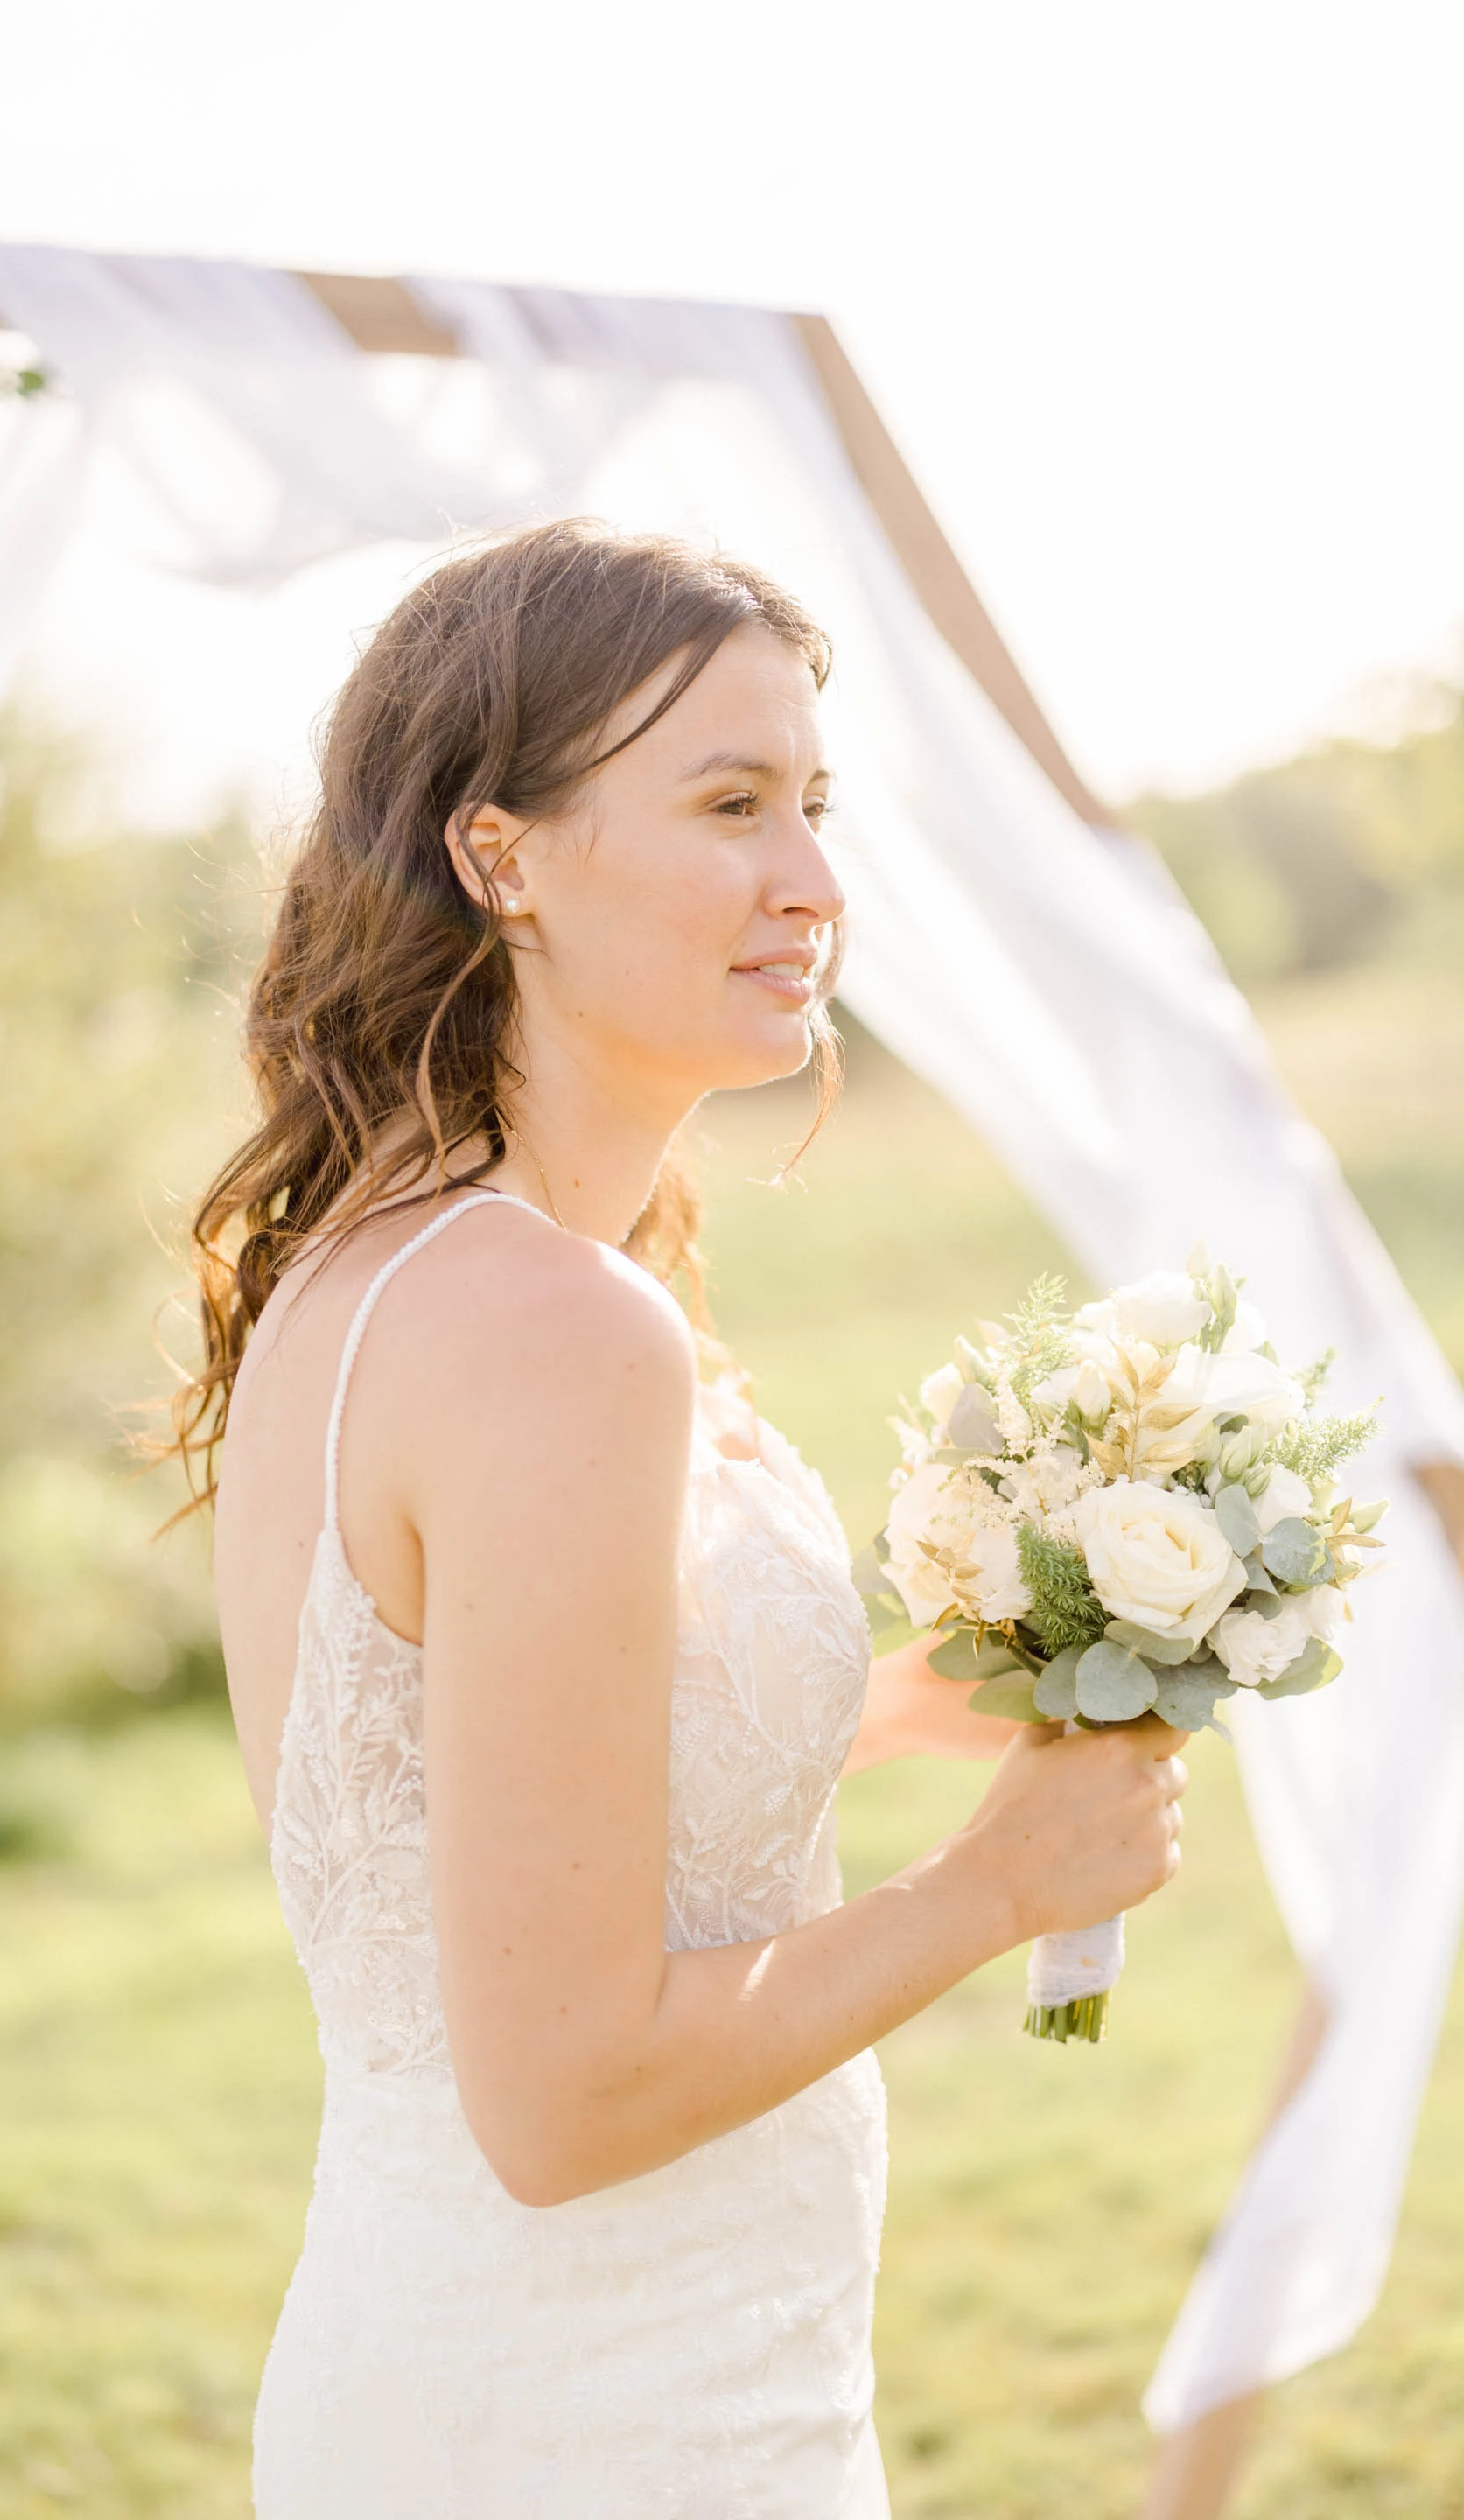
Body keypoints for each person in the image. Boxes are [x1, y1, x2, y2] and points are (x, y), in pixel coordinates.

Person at [181, 520, 1187, 2517]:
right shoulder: (559, 1329)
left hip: (519, 2362)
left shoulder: (403, 1267)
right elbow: (562, 2095)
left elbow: (504, 1765)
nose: (812, 879)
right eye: (730, 805)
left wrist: (925, 1695)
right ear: (502, 855)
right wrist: (996, 1885)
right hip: (603, 2425)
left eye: (815, 803)